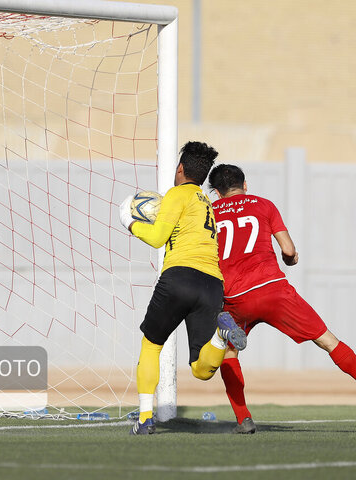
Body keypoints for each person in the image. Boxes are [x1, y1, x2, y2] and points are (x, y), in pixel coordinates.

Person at [207, 164, 356, 434]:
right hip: (273, 289)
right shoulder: (264, 205)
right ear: (245, 185)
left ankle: (243, 419)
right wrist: (290, 259)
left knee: (229, 352)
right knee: (328, 340)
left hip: (235, 298)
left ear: (215, 192)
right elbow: (288, 250)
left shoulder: (210, 214)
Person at [119, 142, 247, 435]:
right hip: (213, 284)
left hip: (180, 277)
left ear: (180, 169)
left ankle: (145, 419)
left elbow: (157, 237)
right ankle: (220, 334)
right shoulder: (206, 203)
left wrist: (129, 221)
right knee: (202, 370)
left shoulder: (177, 195)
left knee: (152, 344)